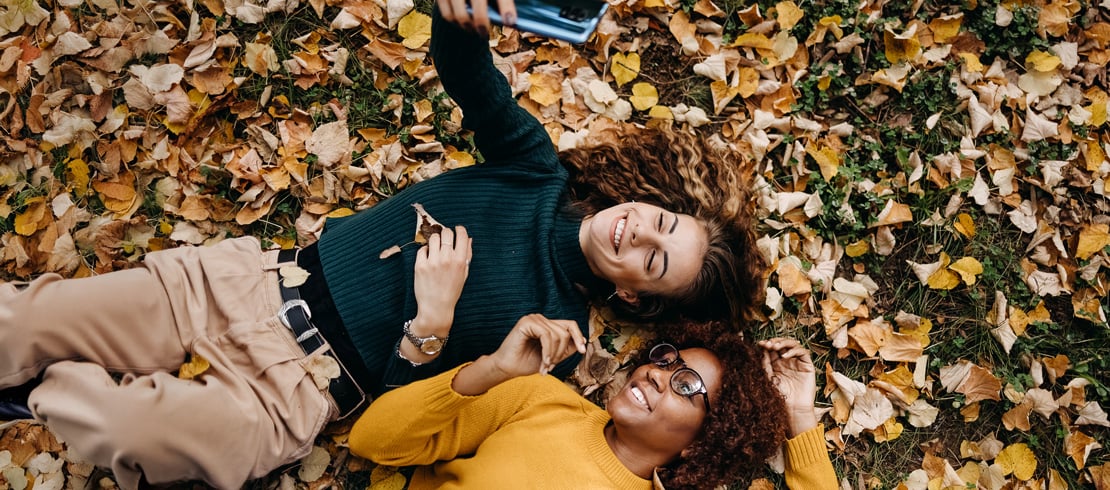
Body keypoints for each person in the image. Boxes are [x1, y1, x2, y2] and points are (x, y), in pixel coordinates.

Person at [0, 2, 764, 489]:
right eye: (659, 220)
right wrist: (462, 16)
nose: (638, 233)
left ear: (633, 294)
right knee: (23, 322)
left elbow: (401, 422)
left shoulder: (552, 341)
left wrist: (431, 321)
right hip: (248, 288)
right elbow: (470, 77)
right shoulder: (538, 171)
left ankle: (32, 393)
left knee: (127, 429)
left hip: (298, 394)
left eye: (654, 261)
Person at [349, 321, 838, 489]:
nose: (656, 373)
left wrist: (799, 419)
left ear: (701, 445)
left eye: (687, 385)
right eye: (667, 360)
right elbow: (373, 441)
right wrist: (492, 370)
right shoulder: (541, 399)